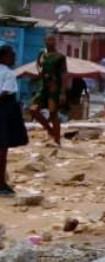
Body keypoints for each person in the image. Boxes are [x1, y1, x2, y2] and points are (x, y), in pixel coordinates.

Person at [0, 45, 29, 197]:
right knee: (2, 150)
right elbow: (5, 94)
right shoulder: (9, 74)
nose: (14, 58)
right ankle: (1, 184)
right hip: (4, 113)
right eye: (12, 55)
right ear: (4, 57)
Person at [28, 33, 66, 146]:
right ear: (45, 41)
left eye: (53, 40)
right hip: (43, 86)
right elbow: (38, 65)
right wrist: (40, 73)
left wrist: (63, 93)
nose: (51, 42)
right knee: (33, 109)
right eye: (49, 40)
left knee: (53, 113)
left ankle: (57, 140)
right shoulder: (42, 54)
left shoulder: (60, 57)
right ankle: (50, 130)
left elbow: (64, 75)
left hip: (54, 87)